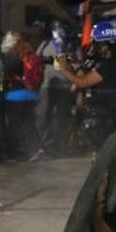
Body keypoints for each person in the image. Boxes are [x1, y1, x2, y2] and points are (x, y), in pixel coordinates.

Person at [57, 22, 116, 149]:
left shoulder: (108, 64)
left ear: (104, 44)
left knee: (102, 148)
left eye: (96, 43)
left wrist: (63, 68)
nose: (94, 47)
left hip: (103, 111)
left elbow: (82, 82)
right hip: (112, 109)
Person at [0, 31, 43, 162]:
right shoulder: (31, 55)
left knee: (14, 126)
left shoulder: (11, 57)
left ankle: (13, 154)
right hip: (29, 93)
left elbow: (6, 75)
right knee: (29, 123)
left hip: (14, 95)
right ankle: (35, 149)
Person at [35, 23, 74, 157]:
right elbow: (35, 60)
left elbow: (76, 62)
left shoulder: (70, 46)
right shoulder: (45, 44)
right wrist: (48, 59)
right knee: (43, 116)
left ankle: (61, 147)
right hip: (47, 85)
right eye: (57, 29)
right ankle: (46, 147)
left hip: (65, 86)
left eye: (62, 29)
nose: (60, 32)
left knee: (62, 118)